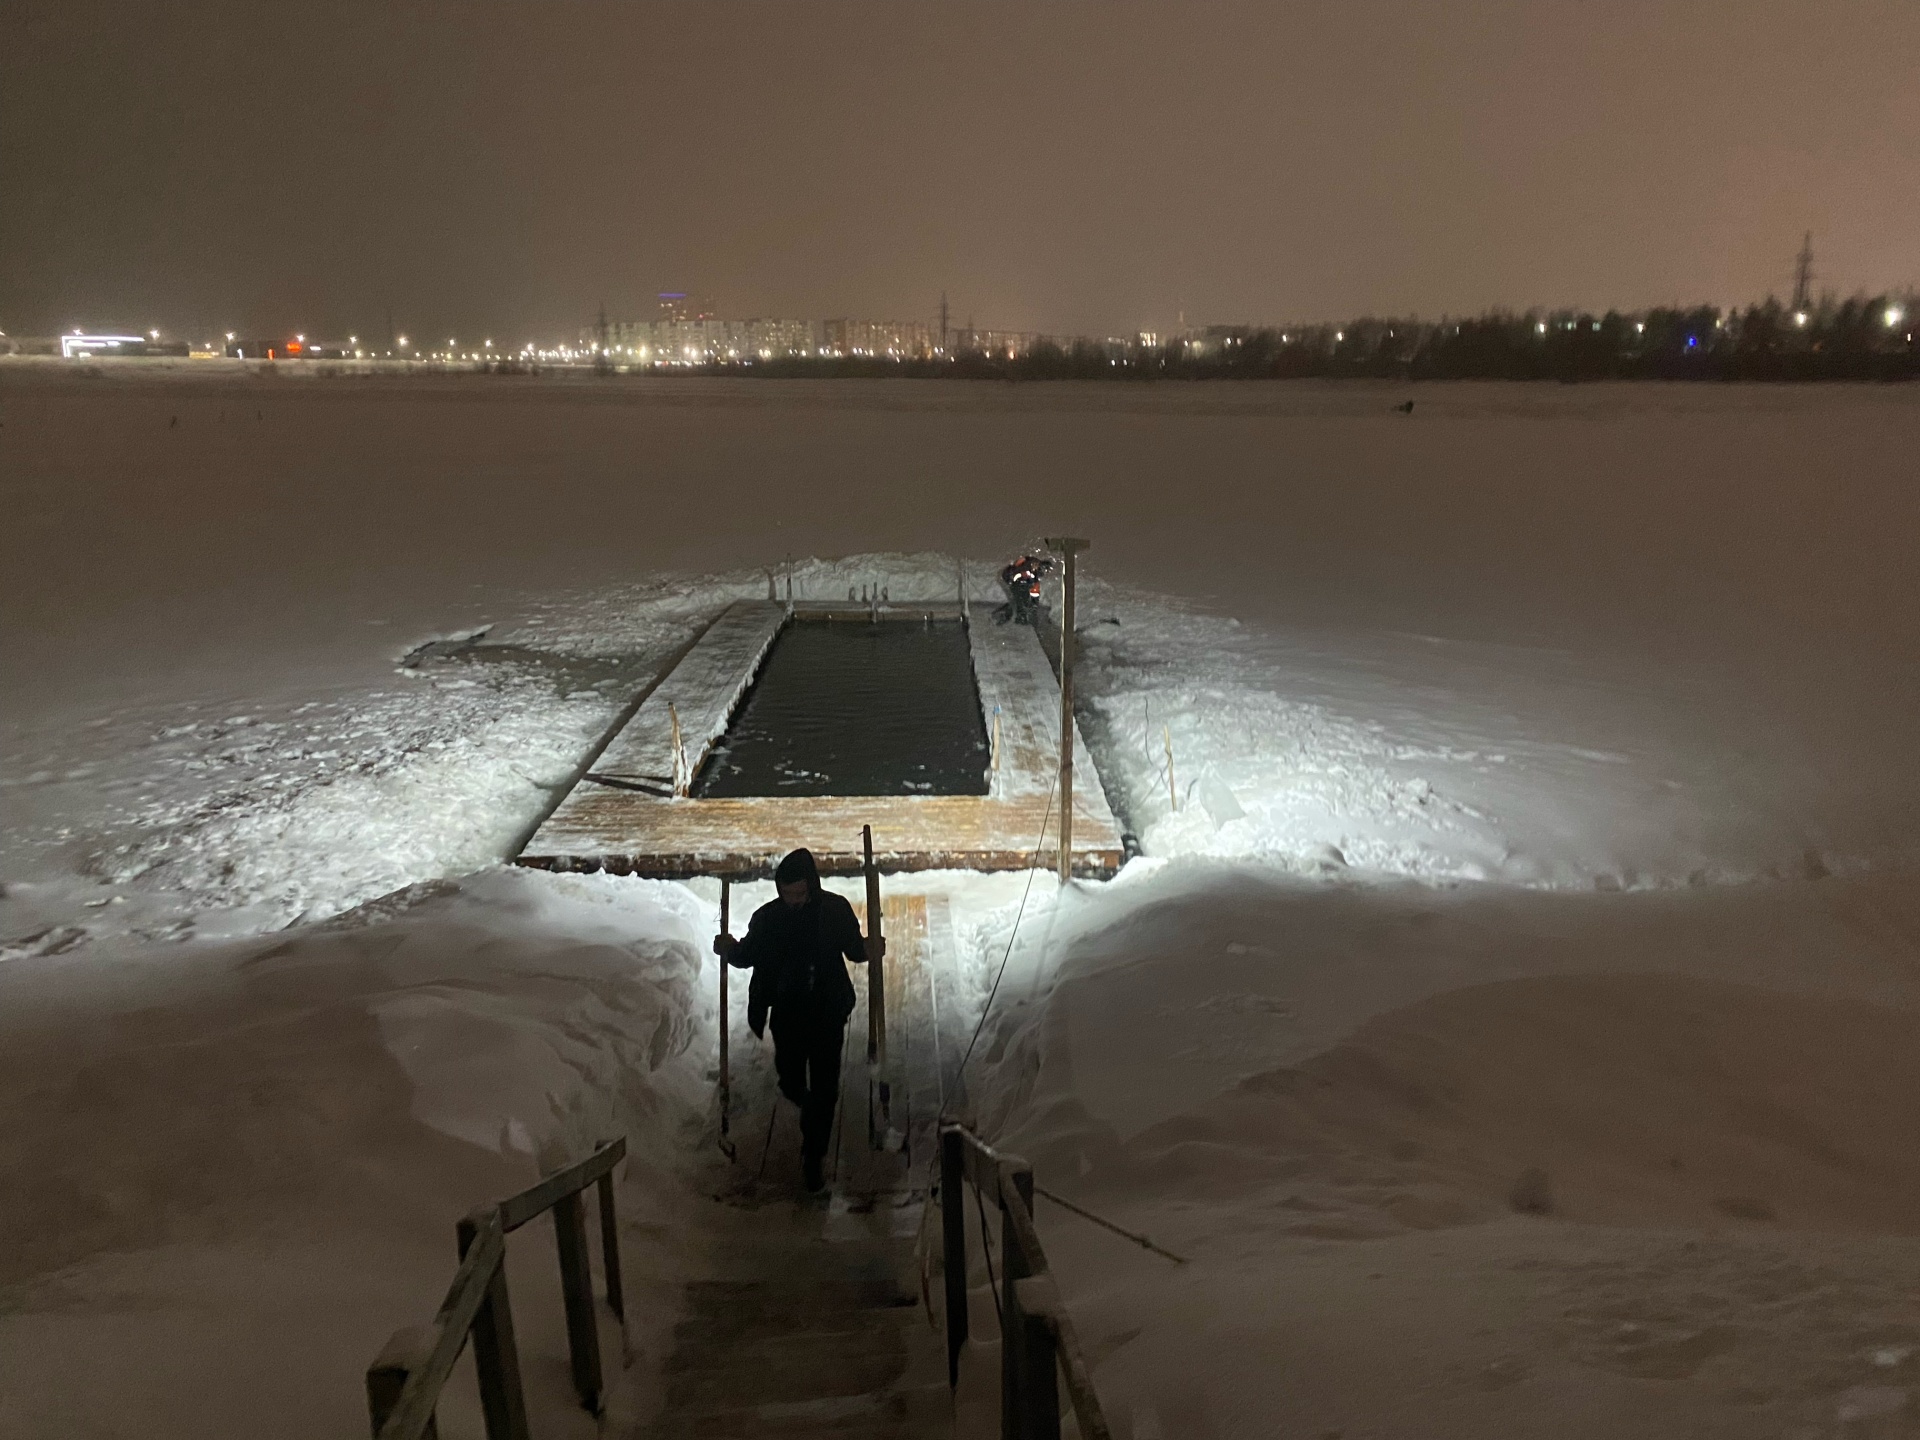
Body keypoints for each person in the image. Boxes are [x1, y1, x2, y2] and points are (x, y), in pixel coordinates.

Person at [715, 847, 873, 1192]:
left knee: (826, 1085)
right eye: (787, 894)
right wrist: (729, 950)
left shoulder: (834, 910)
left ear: (812, 886)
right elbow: (749, 954)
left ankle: (813, 1156)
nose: (794, 900)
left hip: (827, 1009)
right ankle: (809, 1107)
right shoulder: (769, 918)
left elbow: (853, 948)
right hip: (787, 1012)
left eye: (800, 893)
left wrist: (868, 947)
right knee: (789, 1078)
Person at [997, 552, 1054, 626]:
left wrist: (1035, 600)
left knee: (1021, 601)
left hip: (1020, 583)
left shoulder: (1037, 571)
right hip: (1014, 582)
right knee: (1020, 601)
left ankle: (1014, 616)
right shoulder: (1028, 567)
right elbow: (1017, 576)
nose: (1045, 572)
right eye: (1046, 570)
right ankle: (1019, 619)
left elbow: (1035, 584)